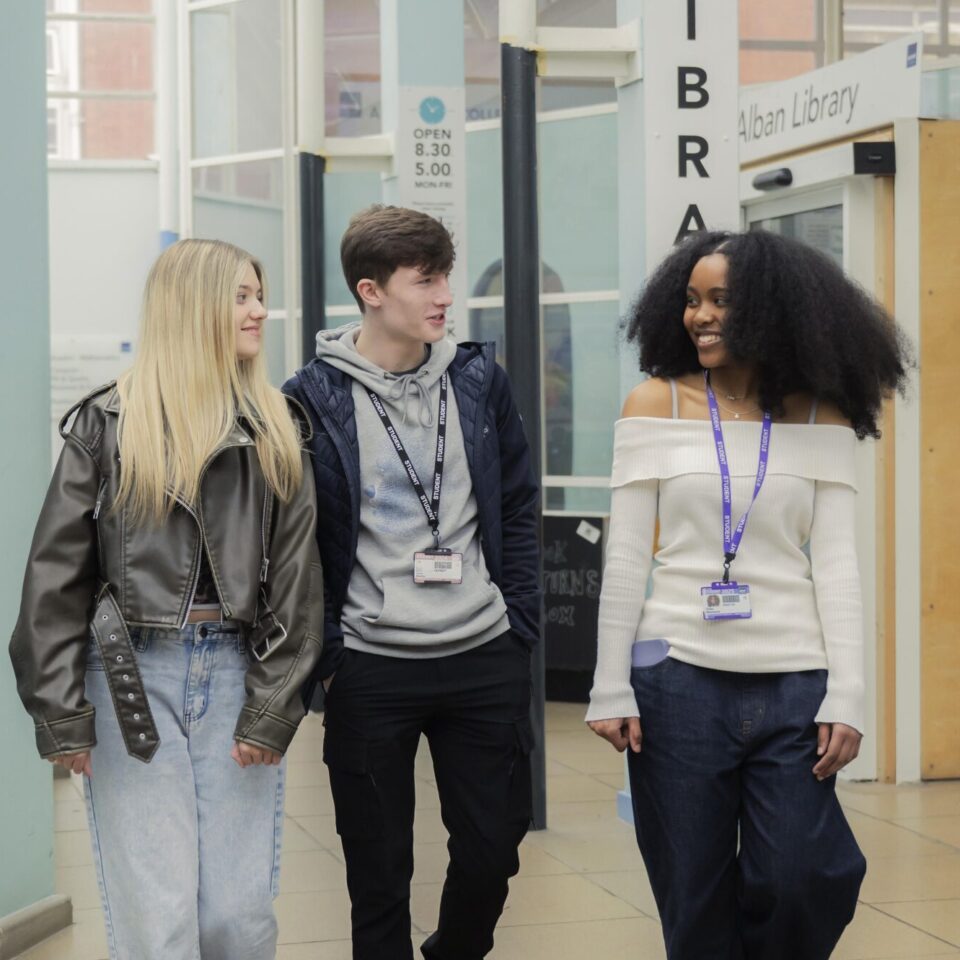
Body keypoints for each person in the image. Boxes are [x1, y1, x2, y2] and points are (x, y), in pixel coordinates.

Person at [586, 229, 910, 960]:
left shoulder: (820, 415)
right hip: (676, 683)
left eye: (721, 302)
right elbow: (630, 552)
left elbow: (837, 567)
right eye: (692, 301)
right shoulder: (656, 401)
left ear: (771, 310)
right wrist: (610, 684)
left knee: (805, 874)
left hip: (794, 685)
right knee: (691, 893)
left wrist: (848, 696)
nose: (699, 316)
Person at [9, 239, 324, 960]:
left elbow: (299, 583)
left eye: (258, 294)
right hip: (130, 681)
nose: (260, 310)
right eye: (242, 297)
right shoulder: (107, 426)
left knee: (239, 922)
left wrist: (273, 706)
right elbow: (54, 581)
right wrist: (62, 714)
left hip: (238, 671)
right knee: (161, 924)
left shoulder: (279, 427)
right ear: (194, 307)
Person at [283, 204, 540, 960]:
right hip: (370, 663)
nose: (444, 296)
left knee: (494, 849)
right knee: (378, 870)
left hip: (482, 651)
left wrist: (519, 620)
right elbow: (297, 542)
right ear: (370, 291)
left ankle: (455, 949)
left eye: (445, 277)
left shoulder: (476, 381)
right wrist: (330, 655)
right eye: (424, 280)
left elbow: (518, 503)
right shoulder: (311, 398)